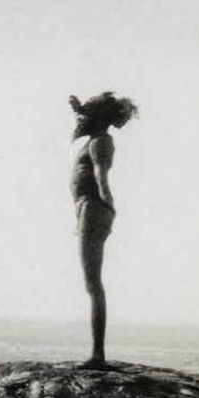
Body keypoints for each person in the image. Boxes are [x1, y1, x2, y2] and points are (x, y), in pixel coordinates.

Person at [68, 91, 138, 370]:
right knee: (92, 284)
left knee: (92, 284)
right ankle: (97, 352)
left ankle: (98, 355)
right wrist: (78, 108)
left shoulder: (100, 142)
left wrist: (108, 206)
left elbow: (101, 178)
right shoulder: (96, 138)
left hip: (93, 210)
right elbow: (80, 121)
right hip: (88, 211)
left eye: (87, 114)